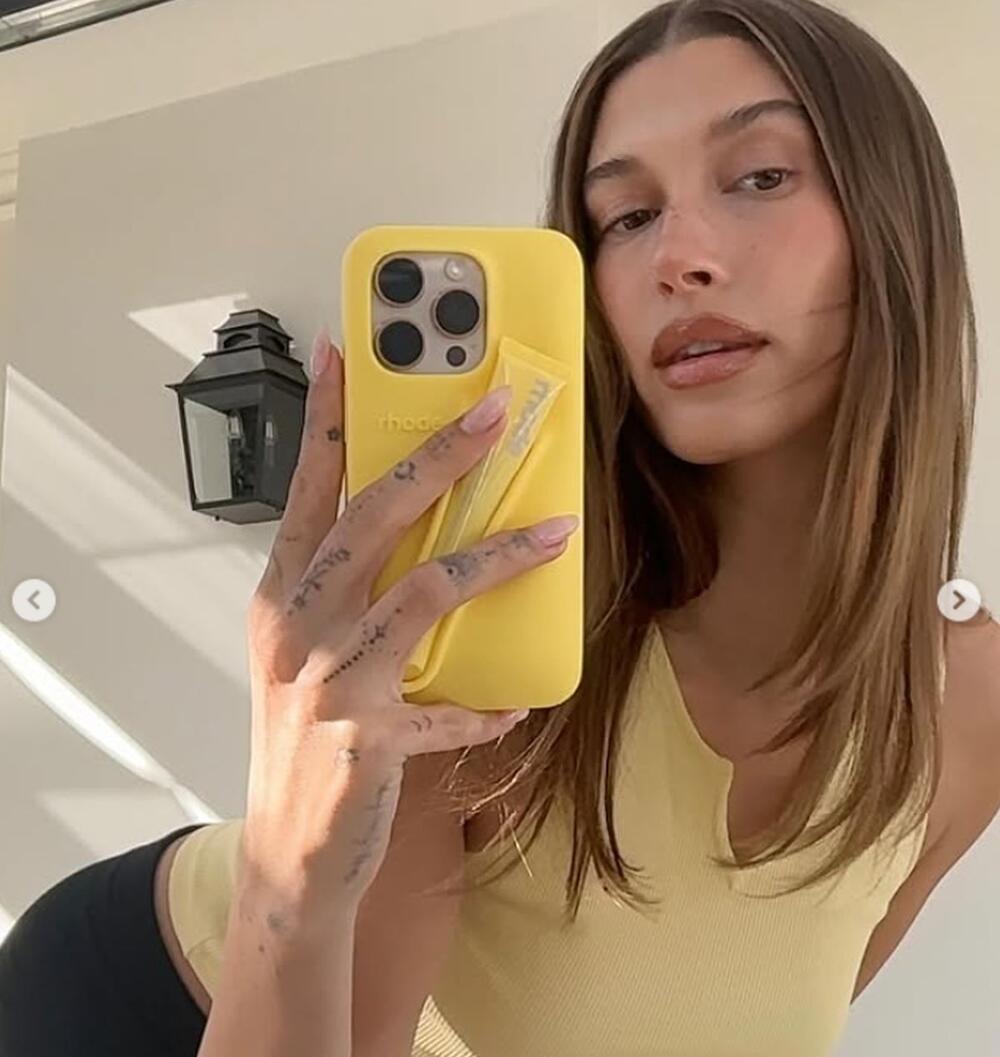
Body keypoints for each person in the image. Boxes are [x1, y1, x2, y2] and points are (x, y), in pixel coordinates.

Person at [2, 0, 998, 1055]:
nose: (679, 256)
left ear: (895, 223)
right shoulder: (496, 621)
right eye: (626, 217)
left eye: (760, 176)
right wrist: (292, 863)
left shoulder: (970, 705)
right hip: (151, 992)